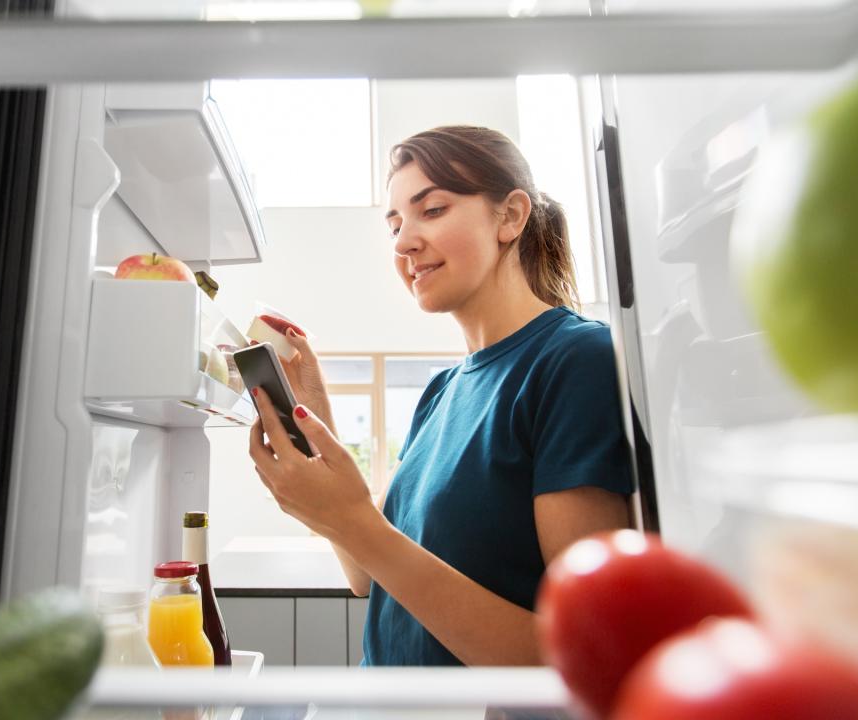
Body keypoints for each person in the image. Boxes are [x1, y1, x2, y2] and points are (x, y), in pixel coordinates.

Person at [246, 126, 634, 667]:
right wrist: (313, 428)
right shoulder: (441, 390)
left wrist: (355, 520)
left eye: (432, 210)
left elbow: (581, 657)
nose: (403, 241)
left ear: (510, 216)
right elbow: (366, 575)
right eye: (395, 224)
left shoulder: (574, 362)